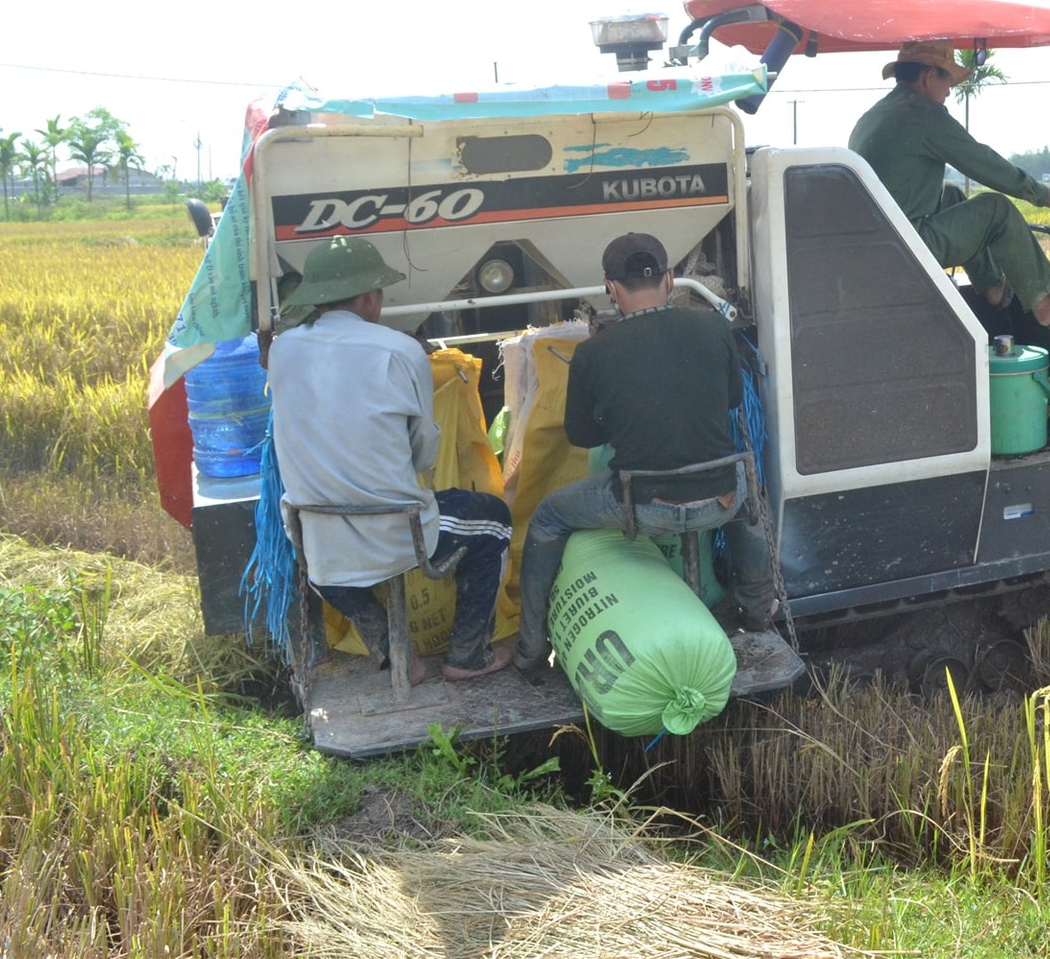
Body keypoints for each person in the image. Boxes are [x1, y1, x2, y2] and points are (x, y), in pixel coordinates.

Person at [514, 232, 776, 675]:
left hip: (641, 505)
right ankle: (755, 613)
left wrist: (621, 418)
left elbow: (581, 435)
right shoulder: (713, 327)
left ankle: (531, 651)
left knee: (547, 516)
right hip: (718, 498)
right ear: (671, 280)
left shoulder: (594, 353)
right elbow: (733, 398)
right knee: (748, 496)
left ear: (611, 289)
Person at [267, 235, 513, 682]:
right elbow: (423, 454)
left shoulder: (282, 350)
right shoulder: (400, 351)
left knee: (326, 568)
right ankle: (467, 656)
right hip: (397, 532)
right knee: (494, 519)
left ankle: (397, 655)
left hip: (314, 534)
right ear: (370, 298)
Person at [847, 40, 1050, 330]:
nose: (948, 92)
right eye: (947, 82)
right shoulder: (924, 114)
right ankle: (1048, 304)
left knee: (953, 196)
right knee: (997, 209)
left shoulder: (873, 115)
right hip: (906, 246)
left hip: (877, 243)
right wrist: (1044, 194)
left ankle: (993, 287)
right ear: (929, 76)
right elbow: (982, 162)